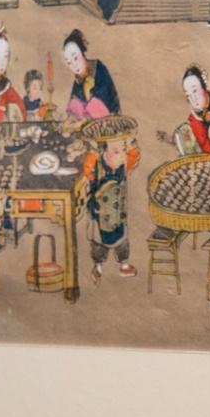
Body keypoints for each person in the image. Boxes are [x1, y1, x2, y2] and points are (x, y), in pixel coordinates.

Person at [77, 119, 140, 278]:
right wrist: (93, 153)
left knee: (122, 238)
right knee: (99, 241)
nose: (122, 156)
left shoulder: (123, 166)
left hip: (118, 212)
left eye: (123, 151)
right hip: (99, 212)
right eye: (117, 152)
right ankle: (97, 266)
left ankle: (124, 264)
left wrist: (131, 145)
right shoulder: (97, 164)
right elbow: (87, 171)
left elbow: (133, 156)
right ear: (105, 152)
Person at [61, 30, 120, 120]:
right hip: (87, 125)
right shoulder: (78, 80)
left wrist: (87, 93)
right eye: (69, 62)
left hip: (108, 122)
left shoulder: (98, 69)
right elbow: (73, 112)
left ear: (82, 53)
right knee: (74, 104)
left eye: (75, 58)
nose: (74, 65)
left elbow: (104, 110)